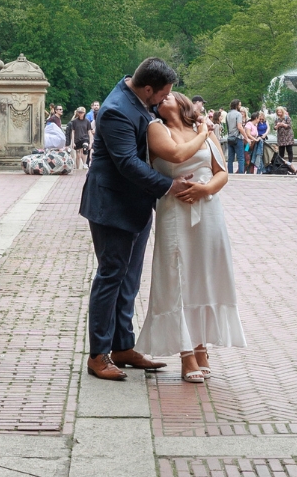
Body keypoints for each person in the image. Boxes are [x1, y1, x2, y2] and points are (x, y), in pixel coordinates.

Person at [79, 57, 201, 381]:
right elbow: (128, 163)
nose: (164, 101)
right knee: (110, 277)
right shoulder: (117, 109)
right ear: (148, 88)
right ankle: (98, 355)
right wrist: (170, 185)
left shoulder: (140, 102)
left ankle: (123, 347)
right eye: (162, 95)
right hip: (111, 207)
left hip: (136, 206)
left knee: (129, 281)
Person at [137, 90, 246, 380]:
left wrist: (206, 189)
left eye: (169, 95)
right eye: (159, 99)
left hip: (208, 209)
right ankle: (186, 355)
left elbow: (221, 171)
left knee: (204, 274)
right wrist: (203, 131)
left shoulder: (203, 131)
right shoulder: (156, 129)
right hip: (174, 208)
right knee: (176, 276)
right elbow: (176, 154)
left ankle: (200, 346)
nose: (163, 99)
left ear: (183, 101)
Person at [225, 100, 246, 173]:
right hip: (237, 138)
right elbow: (239, 127)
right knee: (241, 158)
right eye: (239, 105)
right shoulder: (238, 114)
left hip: (230, 138)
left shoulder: (228, 114)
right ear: (236, 105)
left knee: (230, 159)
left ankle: (230, 173)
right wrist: (246, 137)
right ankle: (241, 173)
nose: (240, 107)